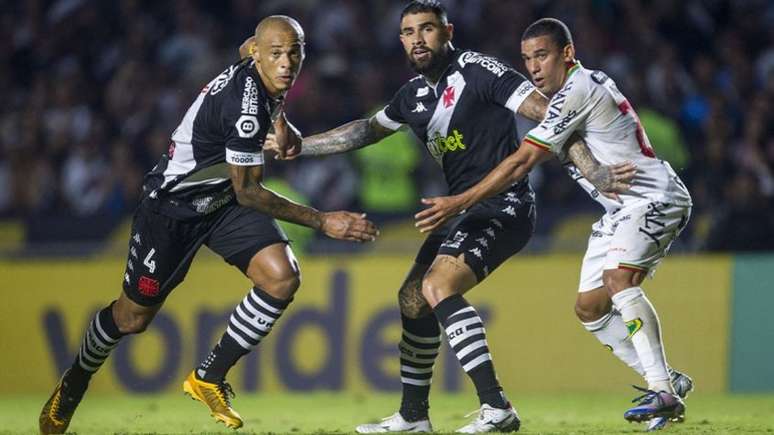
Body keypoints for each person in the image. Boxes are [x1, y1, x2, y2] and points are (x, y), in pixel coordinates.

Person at [266, 2, 632, 433]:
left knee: (436, 285)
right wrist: (301, 145)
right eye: (407, 32)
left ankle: (497, 408)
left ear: (448, 31)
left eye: (426, 29)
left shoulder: (479, 70)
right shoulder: (413, 95)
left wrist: (592, 169)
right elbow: (367, 129)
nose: (417, 39)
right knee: (413, 300)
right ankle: (414, 416)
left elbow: (553, 116)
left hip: (504, 204)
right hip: (461, 209)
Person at [38, 16, 378, 434]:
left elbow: (245, 48)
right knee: (131, 319)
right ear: (260, 54)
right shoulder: (244, 107)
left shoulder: (257, 66)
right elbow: (250, 192)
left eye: (294, 52)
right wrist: (323, 221)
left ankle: (208, 376)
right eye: (276, 54)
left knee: (281, 278)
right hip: (172, 208)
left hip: (221, 201)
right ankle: (74, 382)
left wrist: (281, 119)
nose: (286, 63)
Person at [414, 17, 694, 431]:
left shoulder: (577, 91)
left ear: (567, 53)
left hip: (653, 197)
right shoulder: (569, 94)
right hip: (620, 211)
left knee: (619, 280)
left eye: (542, 56)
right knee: (590, 309)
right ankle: (671, 380)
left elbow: (523, 161)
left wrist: (460, 201)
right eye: (527, 59)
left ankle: (662, 392)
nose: (534, 68)